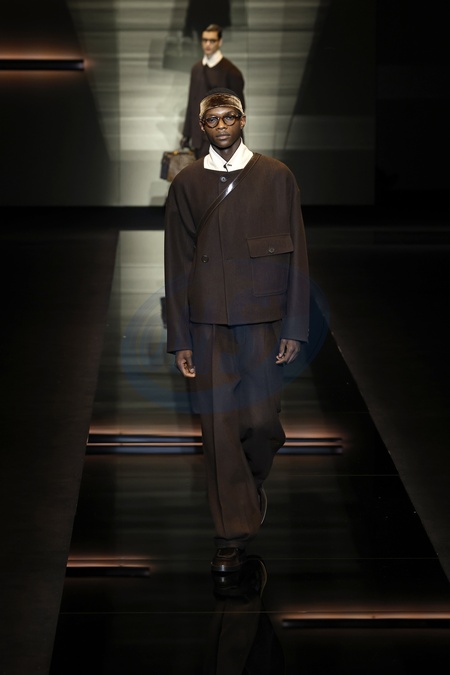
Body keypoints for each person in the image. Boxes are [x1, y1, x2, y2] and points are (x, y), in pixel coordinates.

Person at [164, 88, 309, 574]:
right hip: (206, 322)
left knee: (262, 423)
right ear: (202, 126)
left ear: (243, 120)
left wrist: (295, 326)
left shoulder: (277, 176)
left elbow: (297, 254)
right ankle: (231, 533)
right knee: (219, 430)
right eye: (213, 119)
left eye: (230, 117)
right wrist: (180, 337)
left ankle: (249, 487)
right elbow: (176, 264)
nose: (222, 125)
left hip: (263, 318)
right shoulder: (187, 183)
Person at [181, 24, 245, 159]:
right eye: (205, 40)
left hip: (222, 139)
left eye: (212, 40)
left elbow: (239, 109)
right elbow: (192, 103)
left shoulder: (231, 72)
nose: (208, 44)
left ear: (220, 42)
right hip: (198, 140)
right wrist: (186, 134)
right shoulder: (196, 69)